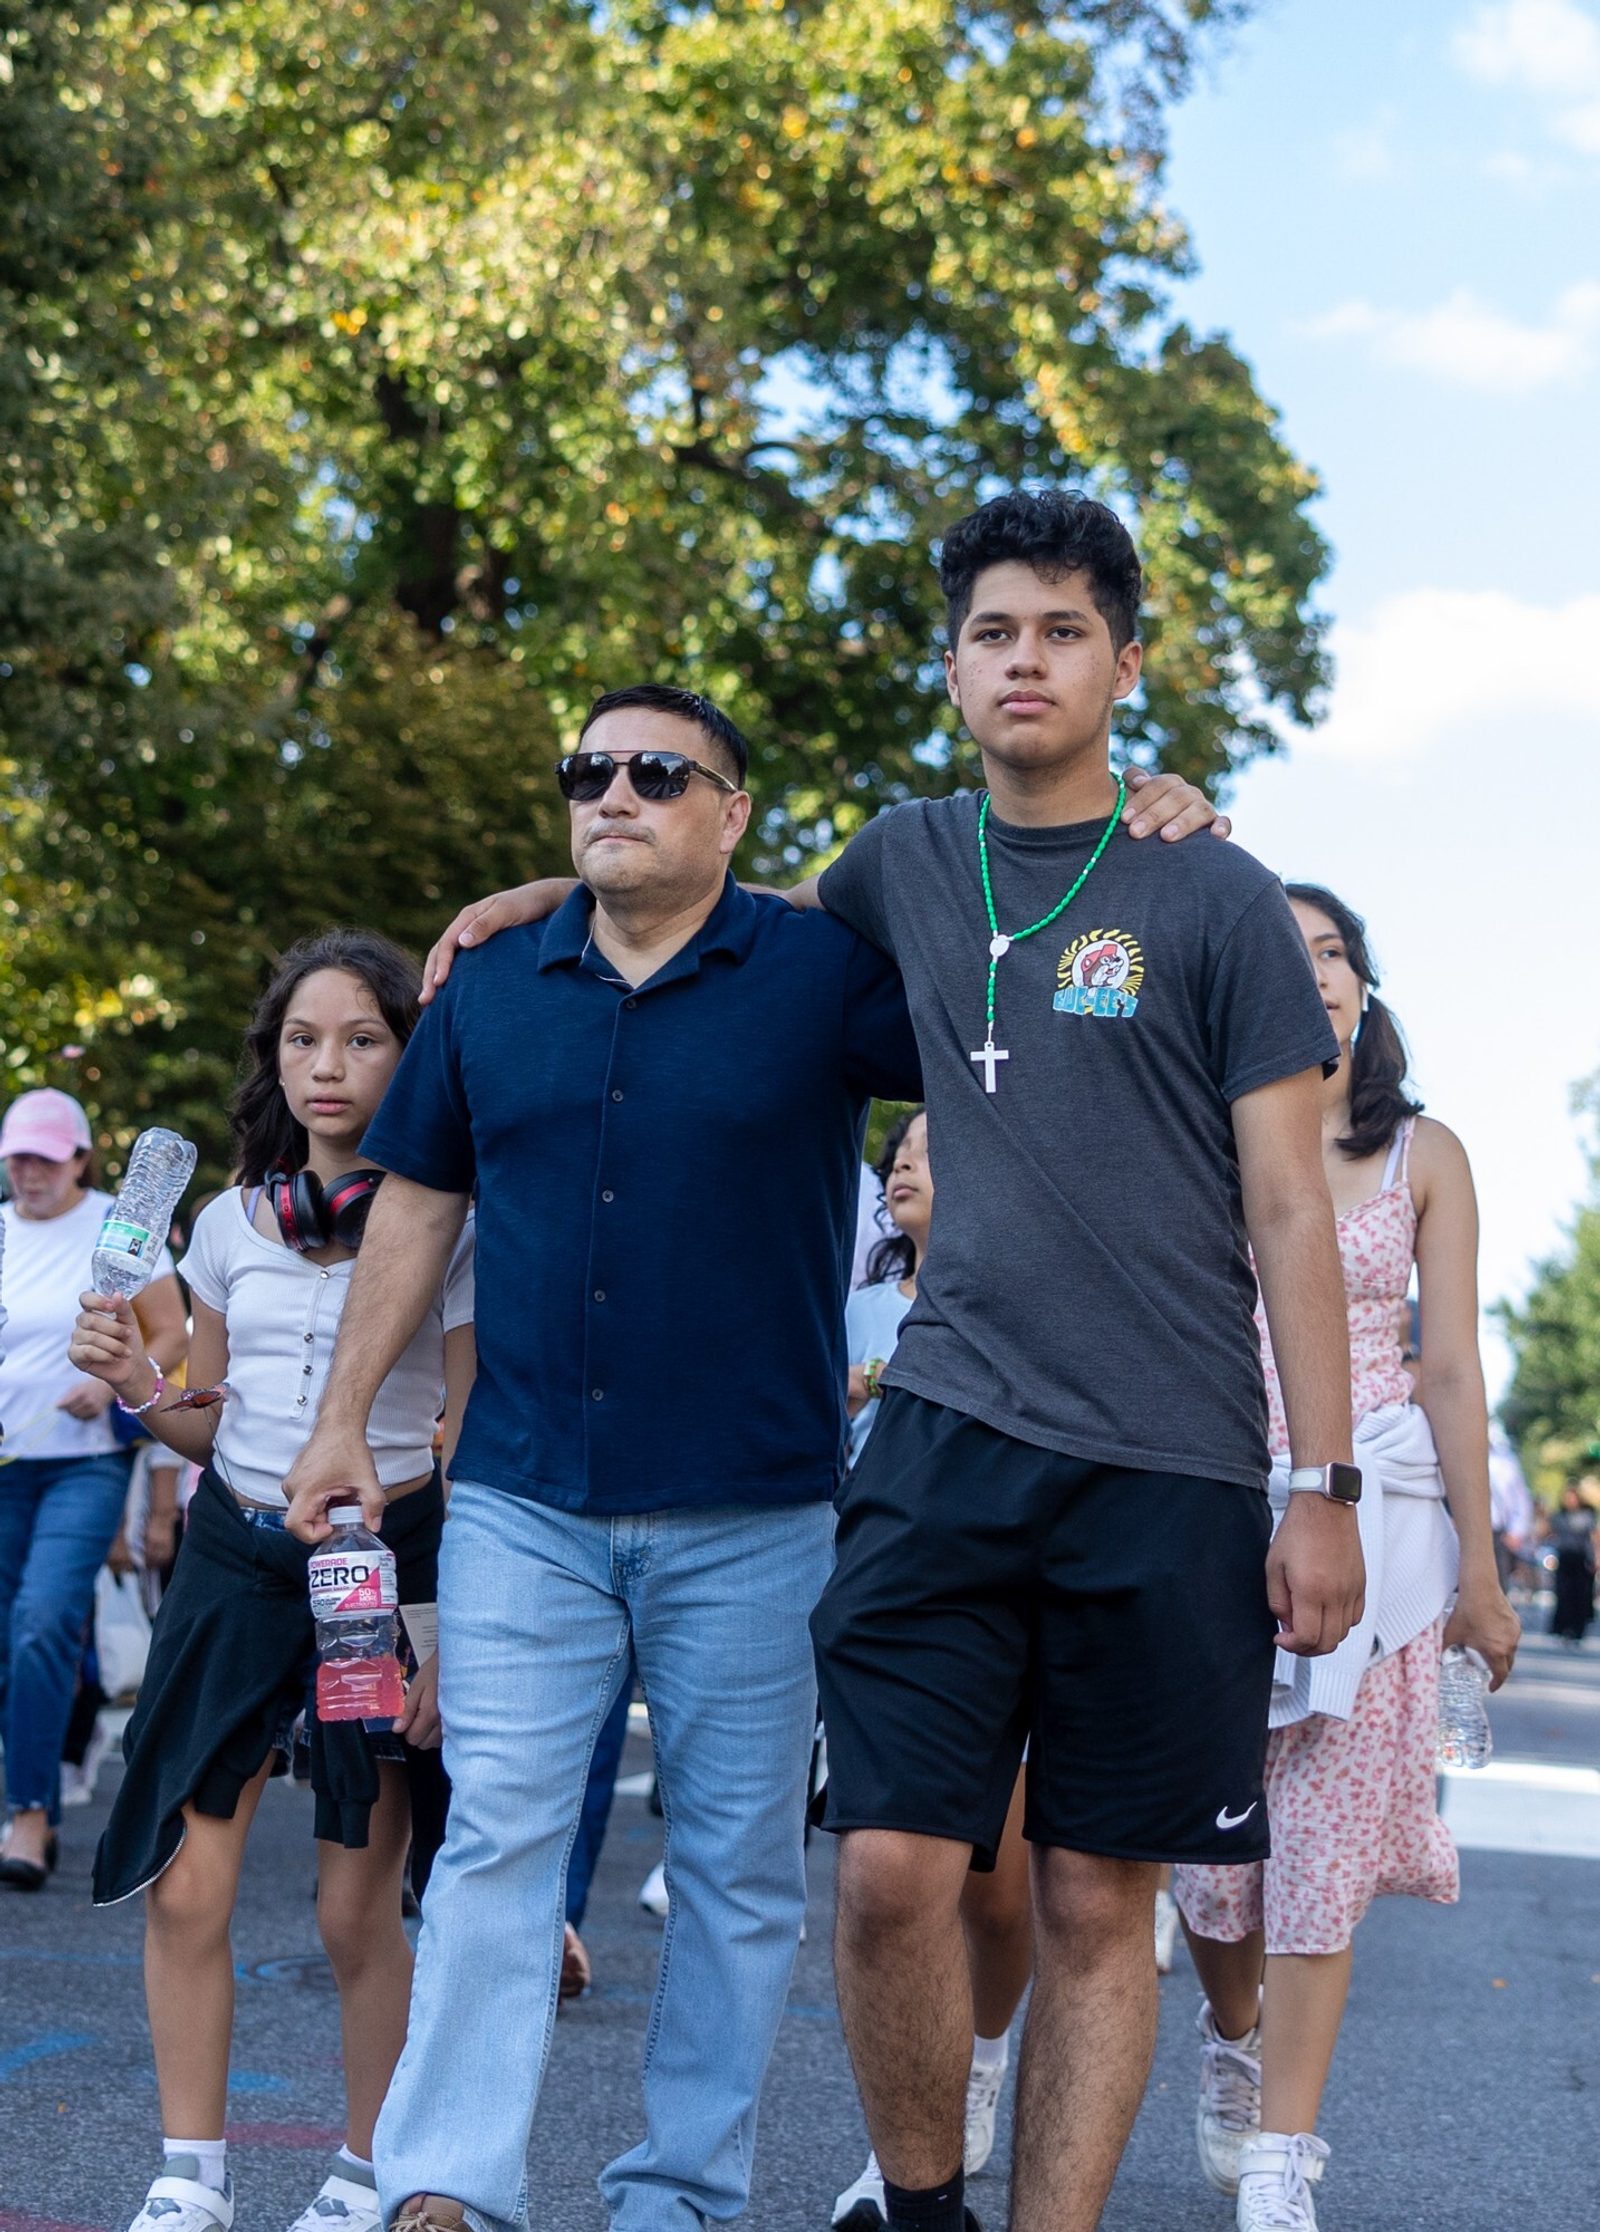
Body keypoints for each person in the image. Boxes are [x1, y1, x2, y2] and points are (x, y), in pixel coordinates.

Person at [415, 497, 1347, 2232]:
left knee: (1091, 1896)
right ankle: (927, 2209)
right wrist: (571, 878)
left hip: (1176, 1458)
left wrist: (1326, 1486)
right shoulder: (899, 863)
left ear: (1125, 662)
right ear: (952, 666)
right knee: (890, 1871)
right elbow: (717, 912)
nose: (1025, 659)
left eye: (1063, 630)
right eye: (994, 632)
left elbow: (1293, 1208)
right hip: (944, 1431)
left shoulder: (1208, 889)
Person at [284, 681, 1221, 2232]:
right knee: (502, 1844)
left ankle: (683, 2195)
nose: (617, 793)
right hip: (522, 1493)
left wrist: (1149, 834)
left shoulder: (826, 976)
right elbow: (419, 1204)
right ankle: (445, 2182)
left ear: (732, 815)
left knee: (734, 1875)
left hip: (761, 1506)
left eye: (661, 773)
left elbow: (1028, 988)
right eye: (589, 770)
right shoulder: (496, 980)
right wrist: (338, 1418)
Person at [68, 932, 474, 2232]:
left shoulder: (450, 1218)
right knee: (187, 1881)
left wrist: (453, 1623)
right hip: (236, 1565)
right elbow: (206, 1421)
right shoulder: (222, 1220)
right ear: (273, 1059)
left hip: (385, 1566)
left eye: (362, 1038)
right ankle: (191, 2175)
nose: (328, 1066)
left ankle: (364, 2170)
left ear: (407, 1057)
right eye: (304, 1039)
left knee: (356, 1906)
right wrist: (137, 1383)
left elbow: (467, 1434)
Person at [1172, 883, 1521, 2232]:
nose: (1310, 974)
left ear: (1365, 991)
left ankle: (1282, 2161)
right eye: (1282, 952)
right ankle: (1234, 2029)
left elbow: (1452, 1369)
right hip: (1212, 1510)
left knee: (1321, 1846)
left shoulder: (1424, 1153)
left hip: (1382, 1535)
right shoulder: (1199, 1136)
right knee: (1209, 1867)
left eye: (1332, 955)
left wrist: (1481, 1577)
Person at [832, 1108, 1032, 2232]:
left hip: (1007, 1584)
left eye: (932, 1146)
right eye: (897, 1147)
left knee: (999, 1893)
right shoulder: (858, 1301)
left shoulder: (1029, 1299)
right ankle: (904, 2155)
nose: (904, 1159)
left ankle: (987, 2057)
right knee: (894, 1879)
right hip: (879, 1589)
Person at [0, 1087, 187, 1889]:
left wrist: (113, 1381)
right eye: (18, 1155)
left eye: (47, 1155)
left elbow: (174, 1332)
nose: (29, 1170)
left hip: (83, 1461)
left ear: (81, 1159)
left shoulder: (120, 1224)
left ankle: (30, 1815)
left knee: (44, 1622)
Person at [1547, 1483, 1596, 1645]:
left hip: (1581, 1559)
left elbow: (1593, 1538)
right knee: (1563, 1593)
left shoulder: (1587, 1515)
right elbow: (1548, 1533)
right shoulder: (1559, 1516)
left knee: (1581, 1594)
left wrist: (1596, 1557)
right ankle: (1563, 1628)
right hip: (1564, 1557)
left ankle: (1577, 1629)